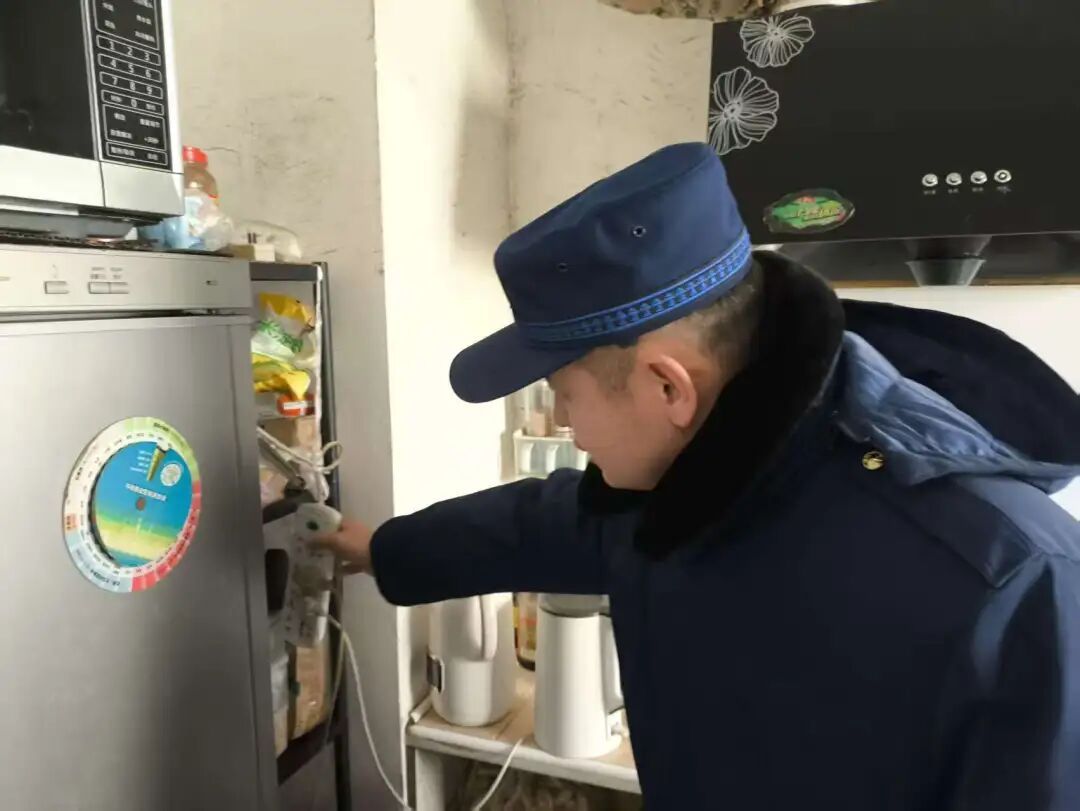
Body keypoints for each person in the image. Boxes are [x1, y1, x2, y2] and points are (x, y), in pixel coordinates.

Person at [318, 143, 1080, 809]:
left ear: (667, 387)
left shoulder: (1009, 579)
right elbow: (541, 523)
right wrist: (382, 548)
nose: (569, 426)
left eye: (564, 394)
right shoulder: (684, 486)